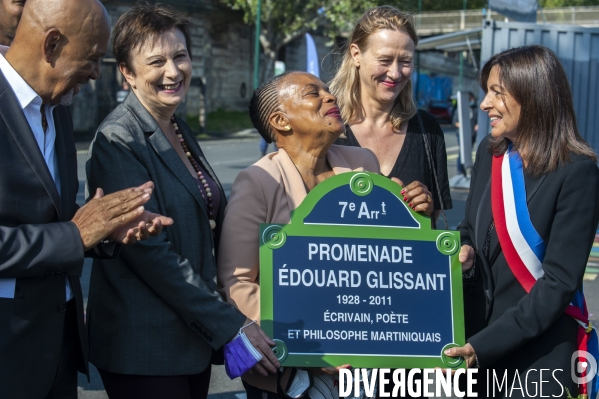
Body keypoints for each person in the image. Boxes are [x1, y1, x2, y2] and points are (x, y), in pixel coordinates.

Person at [85, 5, 279, 399]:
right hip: (144, 347)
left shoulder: (176, 125)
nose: (173, 71)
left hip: (188, 341)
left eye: (180, 56)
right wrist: (231, 322)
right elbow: (152, 257)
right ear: (127, 71)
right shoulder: (119, 139)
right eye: (156, 61)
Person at [217, 71, 434, 399]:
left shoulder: (363, 163)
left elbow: (394, 260)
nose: (330, 96)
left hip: (366, 369)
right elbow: (237, 284)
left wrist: (417, 212)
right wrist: (311, 348)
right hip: (293, 378)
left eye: (327, 90)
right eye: (313, 93)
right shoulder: (258, 181)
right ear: (281, 120)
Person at [0, 0, 173, 397]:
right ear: (52, 44)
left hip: (56, 350)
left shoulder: (57, 105)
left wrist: (107, 229)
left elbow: (50, 217)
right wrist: (77, 235)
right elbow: (64, 234)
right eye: (93, 58)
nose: (97, 74)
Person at [446, 45, 599, 397]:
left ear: (534, 94)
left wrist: (484, 346)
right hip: (475, 340)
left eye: (496, 93)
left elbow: (558, 282)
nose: (484, 105)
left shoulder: (578, 173)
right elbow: (470, 227)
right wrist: (466, 248)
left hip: (536, 354)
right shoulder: (492, 150)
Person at [330, 6, 451, 226]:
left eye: (405, 61)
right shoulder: (327, 127)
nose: (395, 73)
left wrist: (426, 205)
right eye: (384, 60)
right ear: (356, 54)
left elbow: (435, 224)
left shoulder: (427, 129)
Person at [452, 91, 478, 175]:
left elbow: (477, 120)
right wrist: (462, 126)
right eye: (470, 99)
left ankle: (468, 168)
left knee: (469, 151)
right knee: (462, 152)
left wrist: (477, 125)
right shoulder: (460, 109)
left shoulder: (475, 108)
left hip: (472, 134)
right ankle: (460, 170)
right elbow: (455, 121)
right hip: (461, 134)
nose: (471, 100)